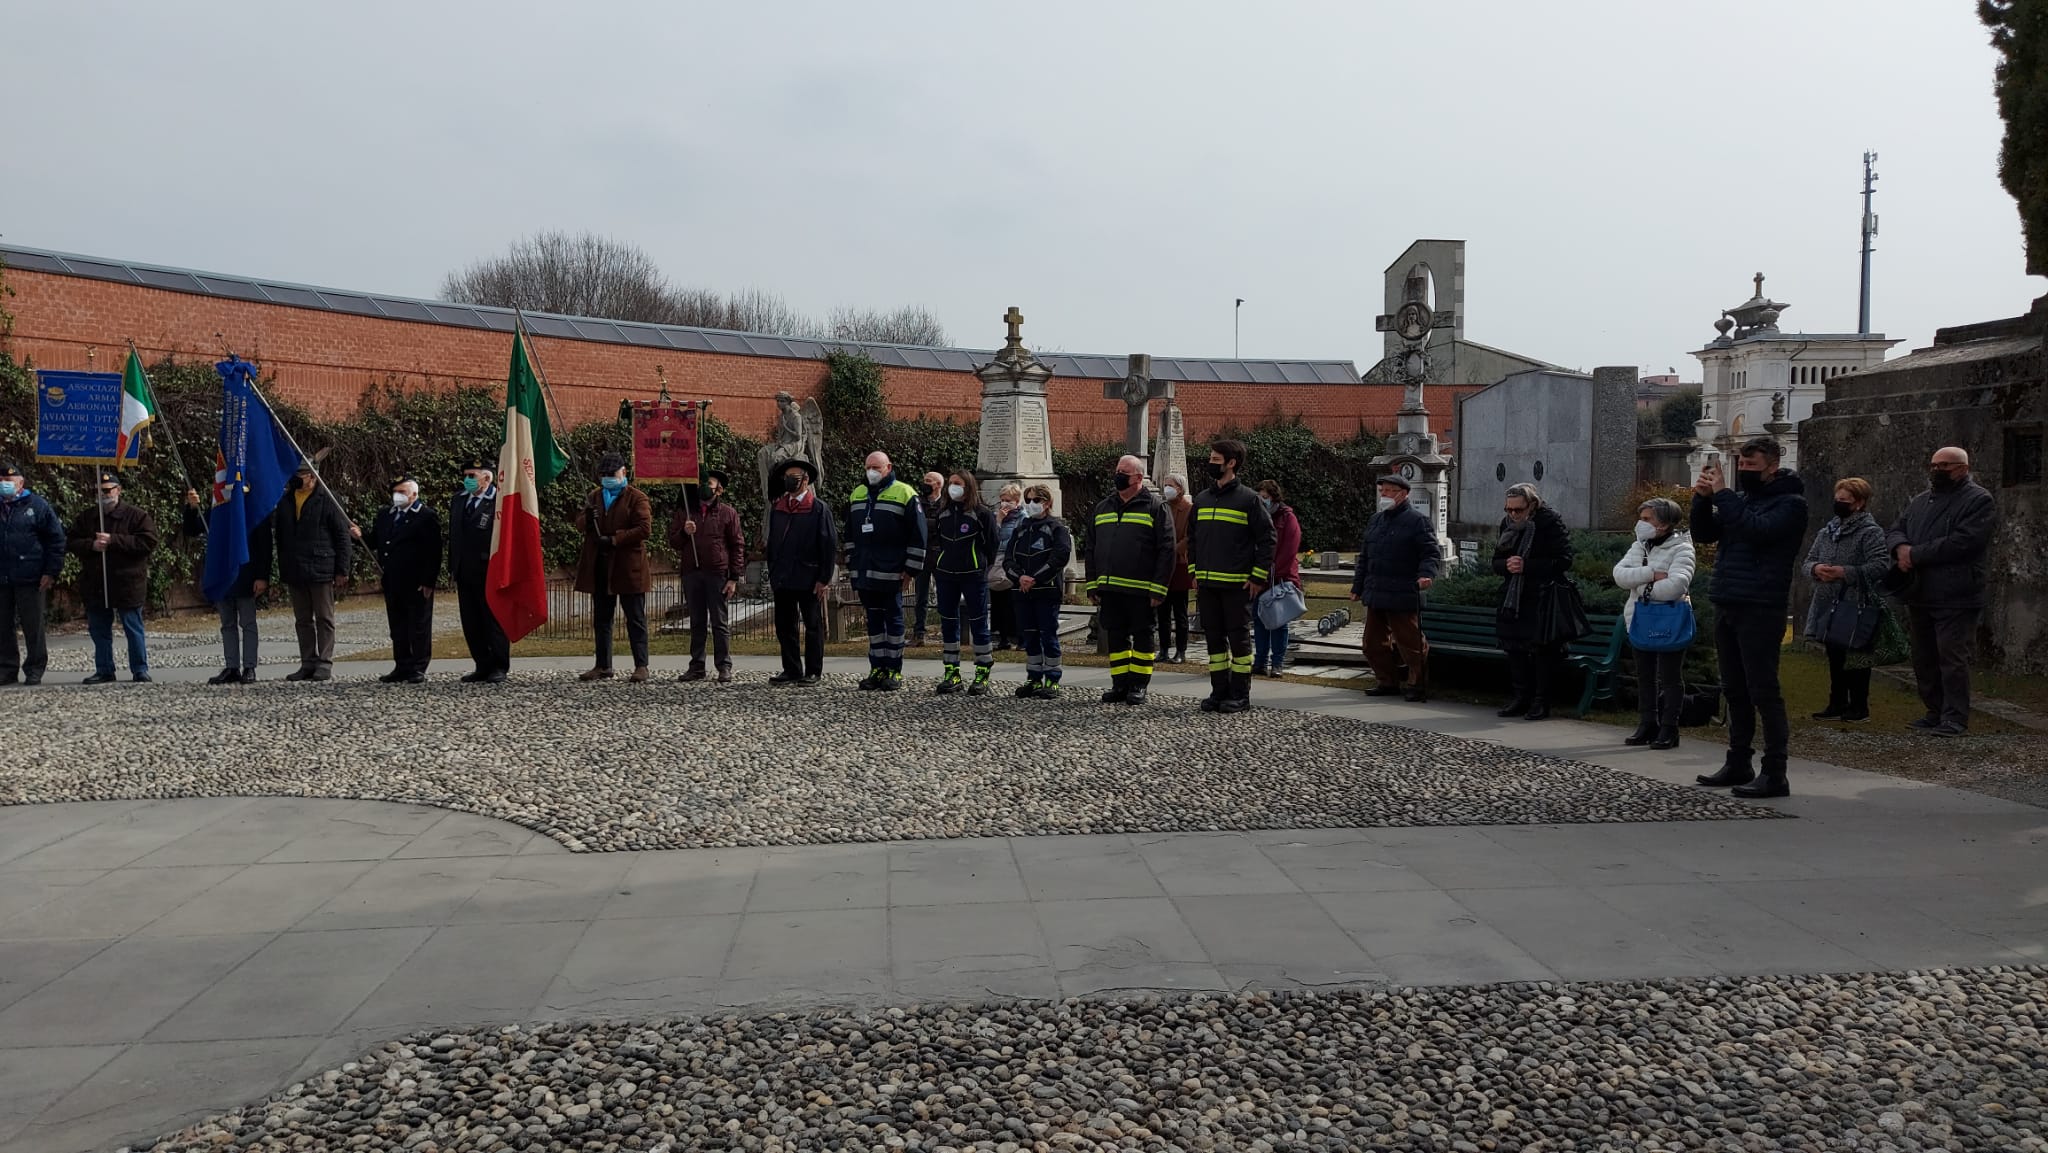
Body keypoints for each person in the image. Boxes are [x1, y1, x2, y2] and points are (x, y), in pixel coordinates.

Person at [1691, 437, 1808, 798]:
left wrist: (1723, 495)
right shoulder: (1741, 500)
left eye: (1751, 466)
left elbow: (1757, 532)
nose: (1745, 472)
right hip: (1729, 599)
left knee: (1763, 690)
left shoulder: (1791, 505)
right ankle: (1738, 761)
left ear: (1772, 465)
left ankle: (1775, 771)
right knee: (1734, 689)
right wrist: (1702, 499)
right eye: (1741, 466)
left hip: (1761, 604)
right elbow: (1705, 533)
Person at [1886, 446, 1998, 737]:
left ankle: (1955, 717)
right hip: (1920, 591)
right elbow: (1897, 528)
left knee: (1952, 658)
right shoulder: (1921, 501)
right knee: (1924, 657)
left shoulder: (1978, 500)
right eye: (1934, 465)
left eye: (1945, 466)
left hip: (1956, 593)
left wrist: (1916, 554)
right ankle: (1934, 710)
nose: (1937, 471)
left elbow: (1965, 542)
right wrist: (1900, 548)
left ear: (1962, 468)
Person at [1186, 440, 1274, 712]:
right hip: (1208, 585)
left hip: (1237, 586)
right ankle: (1218, 691)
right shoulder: (1201, 499)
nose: (1210, 463)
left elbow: (1268, 539)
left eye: (1215, 459)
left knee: (1239, 640)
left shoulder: (1249, 500)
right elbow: (1192, 539)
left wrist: (1258, 578)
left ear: (1231, 463)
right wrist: (1194, 572)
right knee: (1213, 640)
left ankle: (1240, 694)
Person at [1087, 454, 1177, 706]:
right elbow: (1092, 548)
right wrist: (1092, 583)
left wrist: (1159, 588)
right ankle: (1119, 684)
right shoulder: (1103, 507)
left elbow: (1166, 550)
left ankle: (1138, 685)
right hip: (1111, 588)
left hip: (1141, 590)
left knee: (1142, 639)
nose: (1118, 475)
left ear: (1138, 478)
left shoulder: (1155, 507)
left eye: (1123, 472)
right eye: (1117, 470)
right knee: (1116, 639)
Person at [1802, 477, 1889, 723]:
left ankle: (1859, 706)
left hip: (1856, 602)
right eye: (1837, 499)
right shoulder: (1827, 531)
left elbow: (1881, 565)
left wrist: (1844, 572)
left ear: (1859, 503)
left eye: (1845, 501)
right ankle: (1837, 702)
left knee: (1857, 657)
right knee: (1835, 656)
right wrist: (1816, 569)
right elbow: (1808, 560)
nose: (1839, 504)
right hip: (1828, 602)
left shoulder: (1870, 532)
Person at [1613, 497, 1696, 749]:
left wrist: (1639, 587)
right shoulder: (1639, 546)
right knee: (1645, 676)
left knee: (1670, 677)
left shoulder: (1682, 548)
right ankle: (1647, 723)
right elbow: (1619, 574)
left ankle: (1670, 728)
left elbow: (1676, 586)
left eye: (1647, 519)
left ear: (1664, 523)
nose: (1642, 523)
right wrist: (1650, 575)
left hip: (1670, 620)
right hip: (1639, 619)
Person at [1349, 474, 1440, 703]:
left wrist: (1426, 574)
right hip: (1376, 590)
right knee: (1371, 643)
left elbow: (1430, 552)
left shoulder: (1417, 521)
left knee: (1410, 644)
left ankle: (1416, 683)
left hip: (1402, 592)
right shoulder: (1376, 520)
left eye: (1389, 491)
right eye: (1382, 491)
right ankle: (1387, 681)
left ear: (1403, 494)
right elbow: (1365, 557)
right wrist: (1357, 586)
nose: (1384, 495)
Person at [845, 451, 927, 690]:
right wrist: (852, 563)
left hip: (892, 572)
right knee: (873, 623)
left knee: (893, 622)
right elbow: (849, 534)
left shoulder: (905, 493)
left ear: (888, 467)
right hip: (865, 571)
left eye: (876, 467)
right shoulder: (857, 494)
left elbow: (918, 535)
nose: (871, 471)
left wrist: (911, 569)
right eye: (868, 466)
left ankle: (893, 669)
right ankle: (877, 668)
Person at [1492, 483, 1574, 720]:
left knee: (1541, 652)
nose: (1513, 515)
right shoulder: (1507, 525)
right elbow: (1496, 560)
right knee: (1514, 648)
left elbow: (1564, 560)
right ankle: (1520, 698)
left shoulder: (1549, 522)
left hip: (1542, 595)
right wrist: (1506, 566)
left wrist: (1527, 566)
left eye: (1518, 510)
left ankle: (1541, 701)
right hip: (1513, 596)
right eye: (1509, 509)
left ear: (1532, 505)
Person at [70, 472, 160, 684]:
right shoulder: (87, 517)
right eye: (100, 491)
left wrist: (114, 540)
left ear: (118, 491)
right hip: (96, 582)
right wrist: (91, 545)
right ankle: (104, 669)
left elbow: (148, 543)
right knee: (99, 630)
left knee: (133, 627)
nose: (104, 494)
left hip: (127, 582)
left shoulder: (137, 516)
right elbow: (71, 541)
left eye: (108, 490)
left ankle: (139, 669)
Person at [355, 477, 442, 684]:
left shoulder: (425, 516)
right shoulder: (387, 515)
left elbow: (433, 551)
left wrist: (429, 580)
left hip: (416, 580)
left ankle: (418, 667)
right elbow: (376, 540)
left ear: (414, 494)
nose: (397, 495)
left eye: (402, 491)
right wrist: (358, 536)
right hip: (393, 580)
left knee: (418, 626)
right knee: (398, 626)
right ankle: (402, 665)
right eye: (395, 491)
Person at [182, 488, 273, 685]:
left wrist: (262, 576)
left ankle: (249, 667)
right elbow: (193, 529)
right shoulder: (218, 509)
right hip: (222, 574)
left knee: (248, 624)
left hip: (246, 575)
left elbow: (265, 546)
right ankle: (232, 666)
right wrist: (192, 508)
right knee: (227, 624)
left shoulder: (255, 510)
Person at [575, 453, 653, 683]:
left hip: (628, 566)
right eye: (605, 475)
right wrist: (588, 518)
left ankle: (641, 665)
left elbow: (644, 529)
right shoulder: (594, 497)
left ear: (624, 472)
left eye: (613, 474)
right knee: (602, 618)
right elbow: (579, 524)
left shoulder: (636, 498)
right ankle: (603, 665)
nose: (609, 478)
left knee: (635, 618)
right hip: (600, 564)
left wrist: (616, 539)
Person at [275, 458, 353, 682]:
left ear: (312, 476)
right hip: (295, 568)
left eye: (301, 474)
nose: (296, 477)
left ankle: (324, 663)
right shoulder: (287, 500)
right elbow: (280, 536)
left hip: (321, 566)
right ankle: (307, 662)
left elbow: (342, 536)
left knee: (324, 617)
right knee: (302, 620)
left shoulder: (328, 499)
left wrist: (342, 569)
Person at [669, 467, 746, 684]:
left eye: (709, 484)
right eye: (702, 484)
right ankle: (697, 665)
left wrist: (733, 577)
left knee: (719, 622)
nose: (704, 488)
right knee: (697, 621)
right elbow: (673, 541)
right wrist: (685, 532)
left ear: (719, 490)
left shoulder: (727, 513)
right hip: (692, 572)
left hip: (717, 574)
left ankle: (724, 666)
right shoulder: (686, 511)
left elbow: (737, 545)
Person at [927, 469, 1000, 695]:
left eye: (957, 483)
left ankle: (982, 673)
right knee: (948, 623)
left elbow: (992, 543)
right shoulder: (943, 514)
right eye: (950, 483)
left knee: (979, 623)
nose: (953, 487)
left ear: (968, 486)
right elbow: (936, 541)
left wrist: (980, 563)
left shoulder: (982, 514)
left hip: (973, 575)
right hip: (947, 574)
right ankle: (952, 672)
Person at [765, 458, 836, 686]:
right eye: (786, 476)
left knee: (813, 626)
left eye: (793, 476)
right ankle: (791, 668)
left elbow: (828, 545)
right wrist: (773, 572)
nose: (788, 480)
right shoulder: (778, 508)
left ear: (805, 480)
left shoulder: (818, 509)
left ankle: (813, 670)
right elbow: (773, 543)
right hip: (783, 577)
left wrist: (823, 579)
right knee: (785, 626)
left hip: (809, 577)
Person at [1006, 484, 1071, 698]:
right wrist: (1020, 577)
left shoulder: (1056, 528)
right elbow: (1008, 559)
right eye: (1028, 500)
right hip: (1023, 592)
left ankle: (1052, 679)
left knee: (1047, 635)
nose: (1031, 504)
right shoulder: (1021, 528)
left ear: (1047, 503)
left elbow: (1059, 557)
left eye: (1035, 500)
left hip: (1046, 591)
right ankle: (1033, 678)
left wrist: (1035, 578)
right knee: (1029, 636)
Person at [0, 462, 62, 686]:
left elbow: (55, 540)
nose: (4, 485)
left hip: (31, 576)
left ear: (20, 483)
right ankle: (6, 669)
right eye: (0, 481)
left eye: (8, 481)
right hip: (2, 577)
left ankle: (35, 668)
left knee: (33, 625)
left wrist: (50, 571)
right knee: (2, 626)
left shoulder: (37, 506)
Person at [447, 459, 508, 683]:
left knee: (492, 619)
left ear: (487, 477)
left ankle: (499, 665)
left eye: (472, 476)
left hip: (489, 569)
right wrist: (452, 566)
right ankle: (482, 664)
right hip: (465, 569)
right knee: (471, 621)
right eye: (465, 475)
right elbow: (454, 535)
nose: (467, 480)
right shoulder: (459, 500)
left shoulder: (499, 501)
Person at [1251, 479, 1302, 678]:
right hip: (1260, 578)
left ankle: (1277, 663)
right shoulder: (1257, 517)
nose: (1262, 501)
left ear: (1273, 498)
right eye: (1260, 497)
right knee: (1259, 620)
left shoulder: (1287, 518)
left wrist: (1272, 571)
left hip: (1280, 578)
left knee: (1279, 623)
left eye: (1265, 497)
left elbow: (1290, 548)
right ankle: (1260, 661)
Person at [1156, 473, 1194, 665]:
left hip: (1179, 565)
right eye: (1165, 485)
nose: (1166, 488)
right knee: (1162, 612)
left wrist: (1172, 549)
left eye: (1170, 485)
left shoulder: (1188, 510)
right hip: (1162, 566)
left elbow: (1190, 536)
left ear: (1180, 488)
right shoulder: (1162, 508)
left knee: (1180, 612)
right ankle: (1163, 649)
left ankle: (1181, 651)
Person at [909, 470, 944, 647]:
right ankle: (919, 633)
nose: (925, 483)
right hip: (922, 554)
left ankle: (948, 631)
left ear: (938, 485)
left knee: (944, 595)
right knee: (920, 596)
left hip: (939, 554)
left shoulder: (946, 504)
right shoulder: (918, 502)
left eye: (929, 481)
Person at [990, 483, 1025, 652]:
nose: (1004, 504)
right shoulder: (996, 516)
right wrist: (998, 521)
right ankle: (1002, 637)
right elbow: (991, 538)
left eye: (1008, 500)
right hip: (997, 562)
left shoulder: (1022, 517)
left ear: (1017, 501)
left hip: (1013, 562)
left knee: (1014, 603)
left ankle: (1020, 637)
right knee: (999, 602)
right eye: (1002, 500)